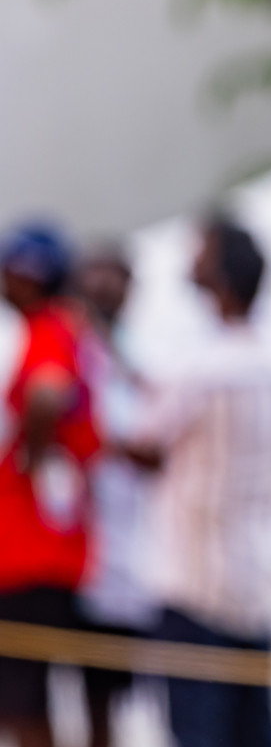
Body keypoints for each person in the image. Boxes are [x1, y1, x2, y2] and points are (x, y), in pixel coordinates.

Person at [124, 217, 271, 747]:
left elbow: (146, 442)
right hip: (254, 582)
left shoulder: (204, 365)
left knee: (200, 732)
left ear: (218, 274)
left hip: (195, 585)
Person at [0, 223, 100, 747]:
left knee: (23, 701)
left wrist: (30, 459)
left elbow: (46, 393)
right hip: (48, 546)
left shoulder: (49, 328)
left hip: (32, 551)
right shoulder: (67, 326)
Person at [73, 245, 157, 747]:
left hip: (142, 553)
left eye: (115, 277)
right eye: (94, 276)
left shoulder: (144, 353)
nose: (103, 288)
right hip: (84, 553)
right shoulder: (68, 353)